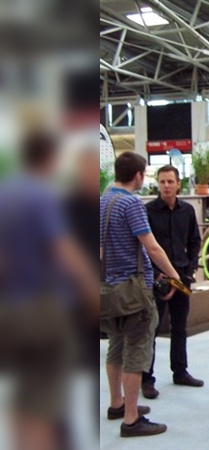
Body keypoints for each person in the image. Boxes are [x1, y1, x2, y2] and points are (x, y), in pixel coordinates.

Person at [0, 132, 98, 449]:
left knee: (22, 397)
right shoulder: (42, 196)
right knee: (44, 406)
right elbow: (63, 249)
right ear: (52, 159)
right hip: (41, 310)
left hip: (10, 309)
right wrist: (89, 290)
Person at [100, 152, 182, 437]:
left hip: (107, 289)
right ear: (138, 175)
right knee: (137, 349)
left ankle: (117, 404)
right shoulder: (131, 203)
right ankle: (132, 419)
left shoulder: (101, 201)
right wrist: (174, 275)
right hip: (134, 291)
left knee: (116, 345)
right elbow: (151, 246)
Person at [140, 165, 204, 400]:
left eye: (170, 181)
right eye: (162, 181)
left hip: (182, 278)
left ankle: (180, 371)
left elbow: (194, 241)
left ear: (178, 184)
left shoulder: (186, 211)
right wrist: (157, 273)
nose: (166, 186)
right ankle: (146, 378)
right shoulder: (147, 211)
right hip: (157, 279)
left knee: (180, 327)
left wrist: (189, 269)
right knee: (152, 329)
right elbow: (144, 247)